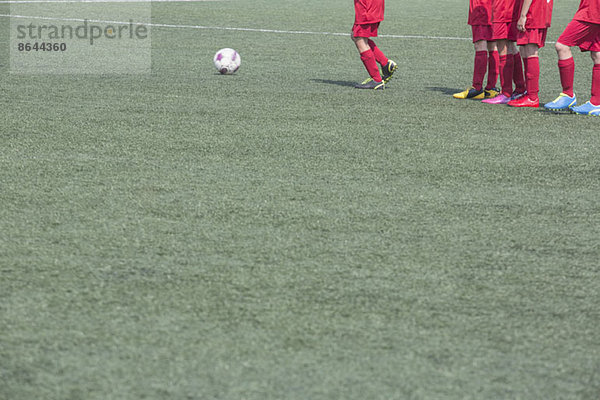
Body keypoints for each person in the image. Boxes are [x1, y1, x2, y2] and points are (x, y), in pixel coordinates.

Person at [543, 0, 600, 116]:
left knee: (562, 45)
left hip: (592, 10)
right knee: (597, 54)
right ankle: (596, 103)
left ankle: (567, 94)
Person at [507, 0, 554, 108]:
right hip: (539, 10)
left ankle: (532, 97)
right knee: (525, 50)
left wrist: (523, 15)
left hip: (533, 12)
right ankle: (529, 93)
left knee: (530, 50)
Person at [482, 0, 527, 104]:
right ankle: (520, 88)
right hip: (513, 8)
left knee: (502, 46)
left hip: (501, 8)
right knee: (511, 46)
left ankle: (506, 93)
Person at [454, 0, 500, 100]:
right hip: (495, 8)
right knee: (493, 45)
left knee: (480, 45)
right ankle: (491, 88)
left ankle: (477, 87)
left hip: (481, 7)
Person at [353, 0, 398, 90]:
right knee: (356, 36)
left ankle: (377, 80)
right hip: (372, 6)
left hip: (367, 7)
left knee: (360, 39)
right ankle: (386, 64)